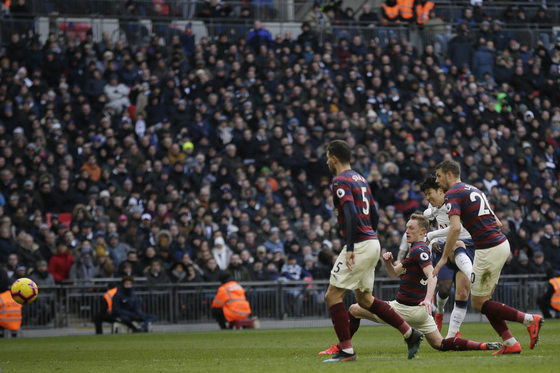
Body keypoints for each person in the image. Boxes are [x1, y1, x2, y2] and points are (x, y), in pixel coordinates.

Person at [321, 214, 501, 353]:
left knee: (354, 309)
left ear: (423, 231)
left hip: (403, 309)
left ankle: (341, 347)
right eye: (406, 227)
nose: (407, 231)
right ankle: (484, 345)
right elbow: (394, 274)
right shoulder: (414, 250)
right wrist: (388, 263)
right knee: (441, 344)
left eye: (411, 228)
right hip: (420, 314)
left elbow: (432, 275)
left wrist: (429, 299)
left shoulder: (419, 250)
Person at [321, 140, 423, 362]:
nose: (327, 160)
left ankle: (346, 350)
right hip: (371, 240)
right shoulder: (361, 179)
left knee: (332, 296)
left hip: (358, 243)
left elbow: (350, 214)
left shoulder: (340, 180)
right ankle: (410, 333)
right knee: (365, 299)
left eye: (328, 157)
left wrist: (350, 247)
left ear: (334, 158)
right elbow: (374, 214)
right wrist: (371, 236)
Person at [434, 160, 543, 355]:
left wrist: (443, 258)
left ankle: (528, 319)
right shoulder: (474, 189)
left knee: (478, 303)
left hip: (488, 248)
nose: (437, 180)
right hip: (501, 243)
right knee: (485, 301)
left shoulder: (452, 193)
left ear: (449, 175)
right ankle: (510, 343)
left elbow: (455, 228)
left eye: (439, 176)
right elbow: (498, 223)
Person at [420, 175, 474, 338]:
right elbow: (428, 215)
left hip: (467, 244)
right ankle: (441, 312)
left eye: (429, 193)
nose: (428, 198)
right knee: (444, 289)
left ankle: (454, 332)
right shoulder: (433, 205)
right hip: (445, 246)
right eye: (426, 195)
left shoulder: (454, 202)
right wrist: (435, 239)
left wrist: (432, 235)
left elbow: (455, 227)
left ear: (440, 191)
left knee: (462, 292)